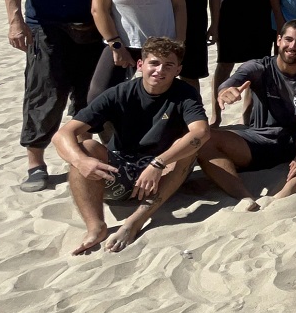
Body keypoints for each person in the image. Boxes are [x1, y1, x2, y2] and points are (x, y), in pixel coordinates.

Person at [6, 0, 117, 191]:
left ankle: (81, 153)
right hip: (48, 27)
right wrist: (15, 20)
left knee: (90, 96)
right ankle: (36, 164)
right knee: (45, 94)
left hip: (93, 29)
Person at [53, 37, 209, 254]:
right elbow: (63, 134)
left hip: (162, 173)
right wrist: (81, 161)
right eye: (154, 63)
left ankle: (134, 222)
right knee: (86, 147)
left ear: (178, 70)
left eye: (168, 65)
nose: (159, 70)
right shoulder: (120, 93)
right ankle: (95, 226)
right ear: (140, 65)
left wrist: (158, 163)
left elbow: (201, 131)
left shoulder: (185, 94)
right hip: (121, 170)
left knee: (190, 150)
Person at [198, 20, 296, 211]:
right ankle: (245, 197)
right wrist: (225, 91)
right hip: (256, 141)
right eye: (288, 40)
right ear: (279, 40)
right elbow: (231, 82)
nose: (292, 46)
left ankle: (287, 190)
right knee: (203, 139)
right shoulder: (259, 67)